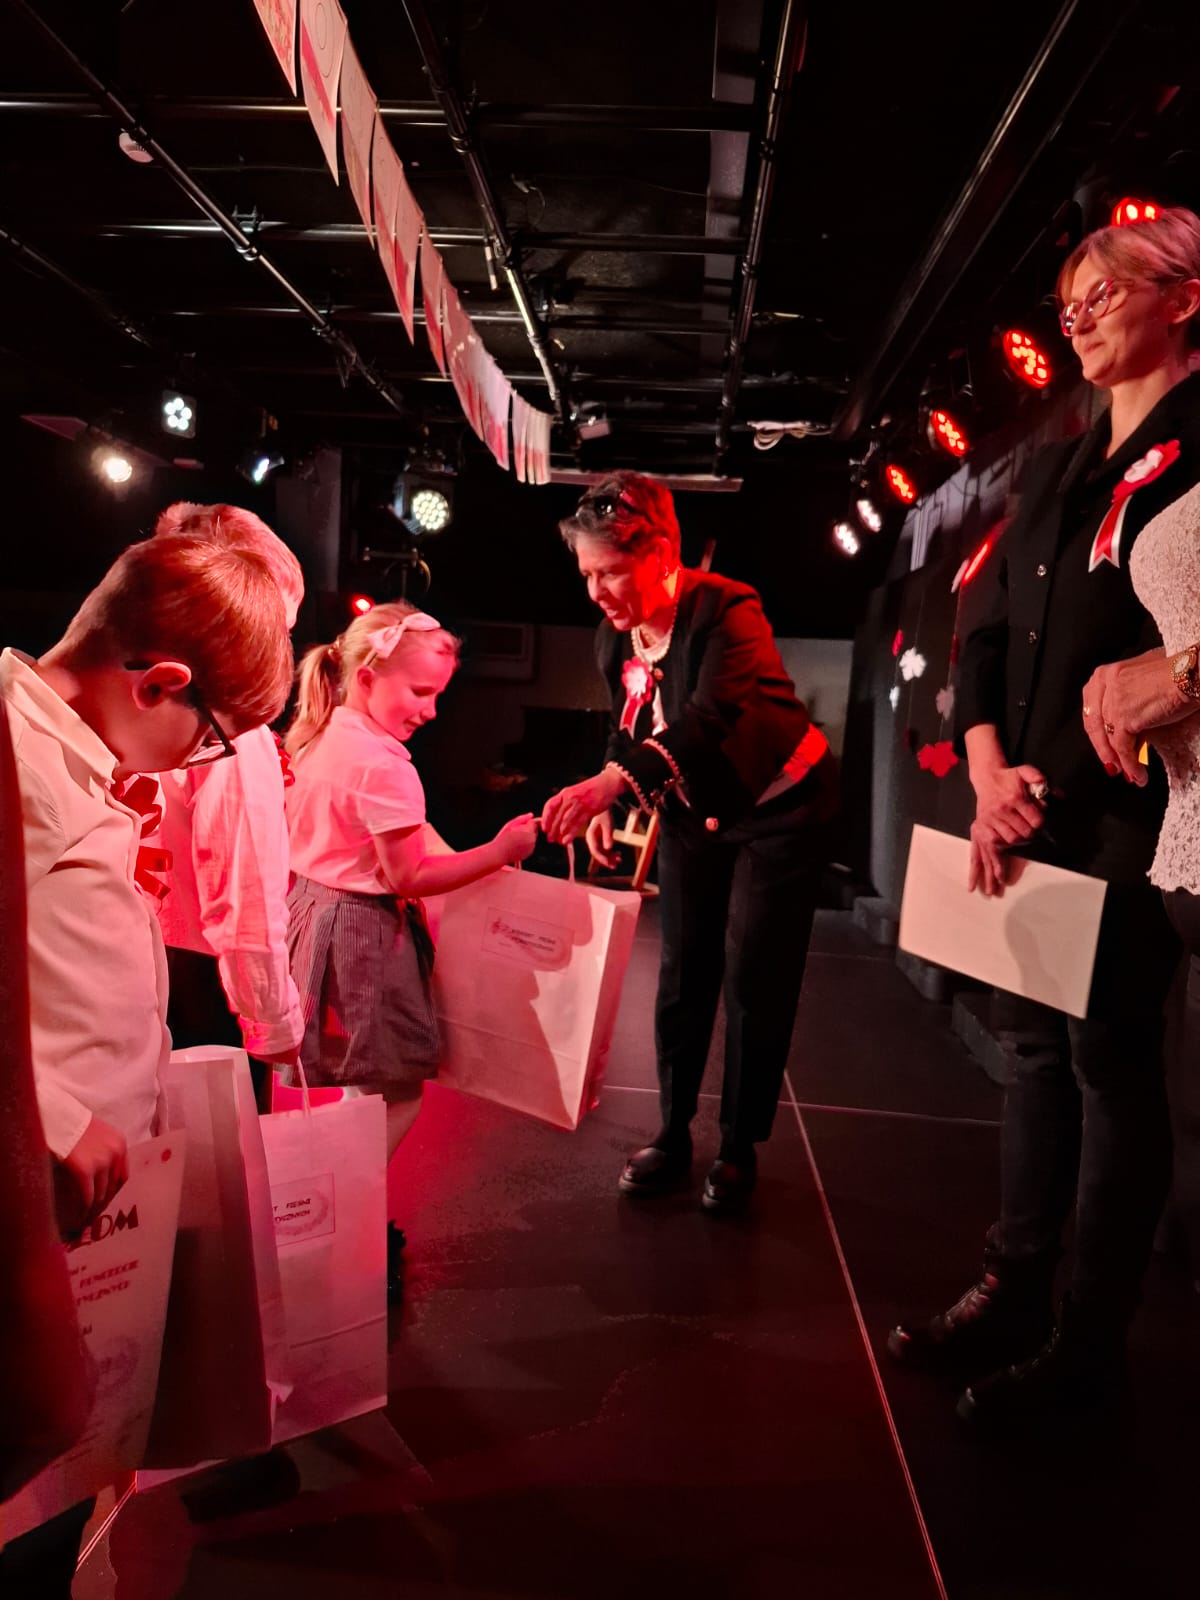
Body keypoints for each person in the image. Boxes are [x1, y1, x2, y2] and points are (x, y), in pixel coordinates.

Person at [889, 206, 1200, 1434]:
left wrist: (1039, 780)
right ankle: (1014, 1288)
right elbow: (984, 638)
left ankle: (1089, 1345)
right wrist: (986, 773)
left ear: (1184, 299)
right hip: (1023, 808)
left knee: (1109, 1064)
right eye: (1066, 304)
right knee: (1031, 1058)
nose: (1075, 319)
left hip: (1133, 811)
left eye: (1102, 292)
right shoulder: (1060, 462)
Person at [0, 532, 291, 1592]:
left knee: (74, 1505)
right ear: (159, 682)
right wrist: (48, 1109)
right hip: (24, 1215)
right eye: (211, 738)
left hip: (79, 1221)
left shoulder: (74, 759)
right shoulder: (15, 760)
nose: (199, 763)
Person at [541, 472, 836, 1213]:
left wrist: (609, 786)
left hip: (778, 807)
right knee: (682, 972)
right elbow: (627, 723)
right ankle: (672, 1133)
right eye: (586, 575)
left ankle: (738, 1146)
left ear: (660, 556)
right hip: (691, 808)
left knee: (755, 978)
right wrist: (610, 786)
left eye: (610, 573)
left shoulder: (728, 610)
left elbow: (708, 718)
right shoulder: (615, 637)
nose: (597, 593)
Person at [283, 602, 539, 1287]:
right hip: (363, 934)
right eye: (420, 692)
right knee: (395, 1093)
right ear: (367, 679)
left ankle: (338, 1215)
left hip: (315, 915)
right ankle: (344, 1219)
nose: (430, 711)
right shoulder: (384, 764)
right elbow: (408, 875)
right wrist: (498, 851)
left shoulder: (321, 736)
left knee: (362, 1085)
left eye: (437, 696)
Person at [149, 503, 306, 1110]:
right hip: (205, 976)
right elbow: (243, 893)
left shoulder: (138, 703)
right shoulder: (233, 732)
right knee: (218, 1152)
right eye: (278, 629)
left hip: (139, 963)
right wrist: (273, 1021)